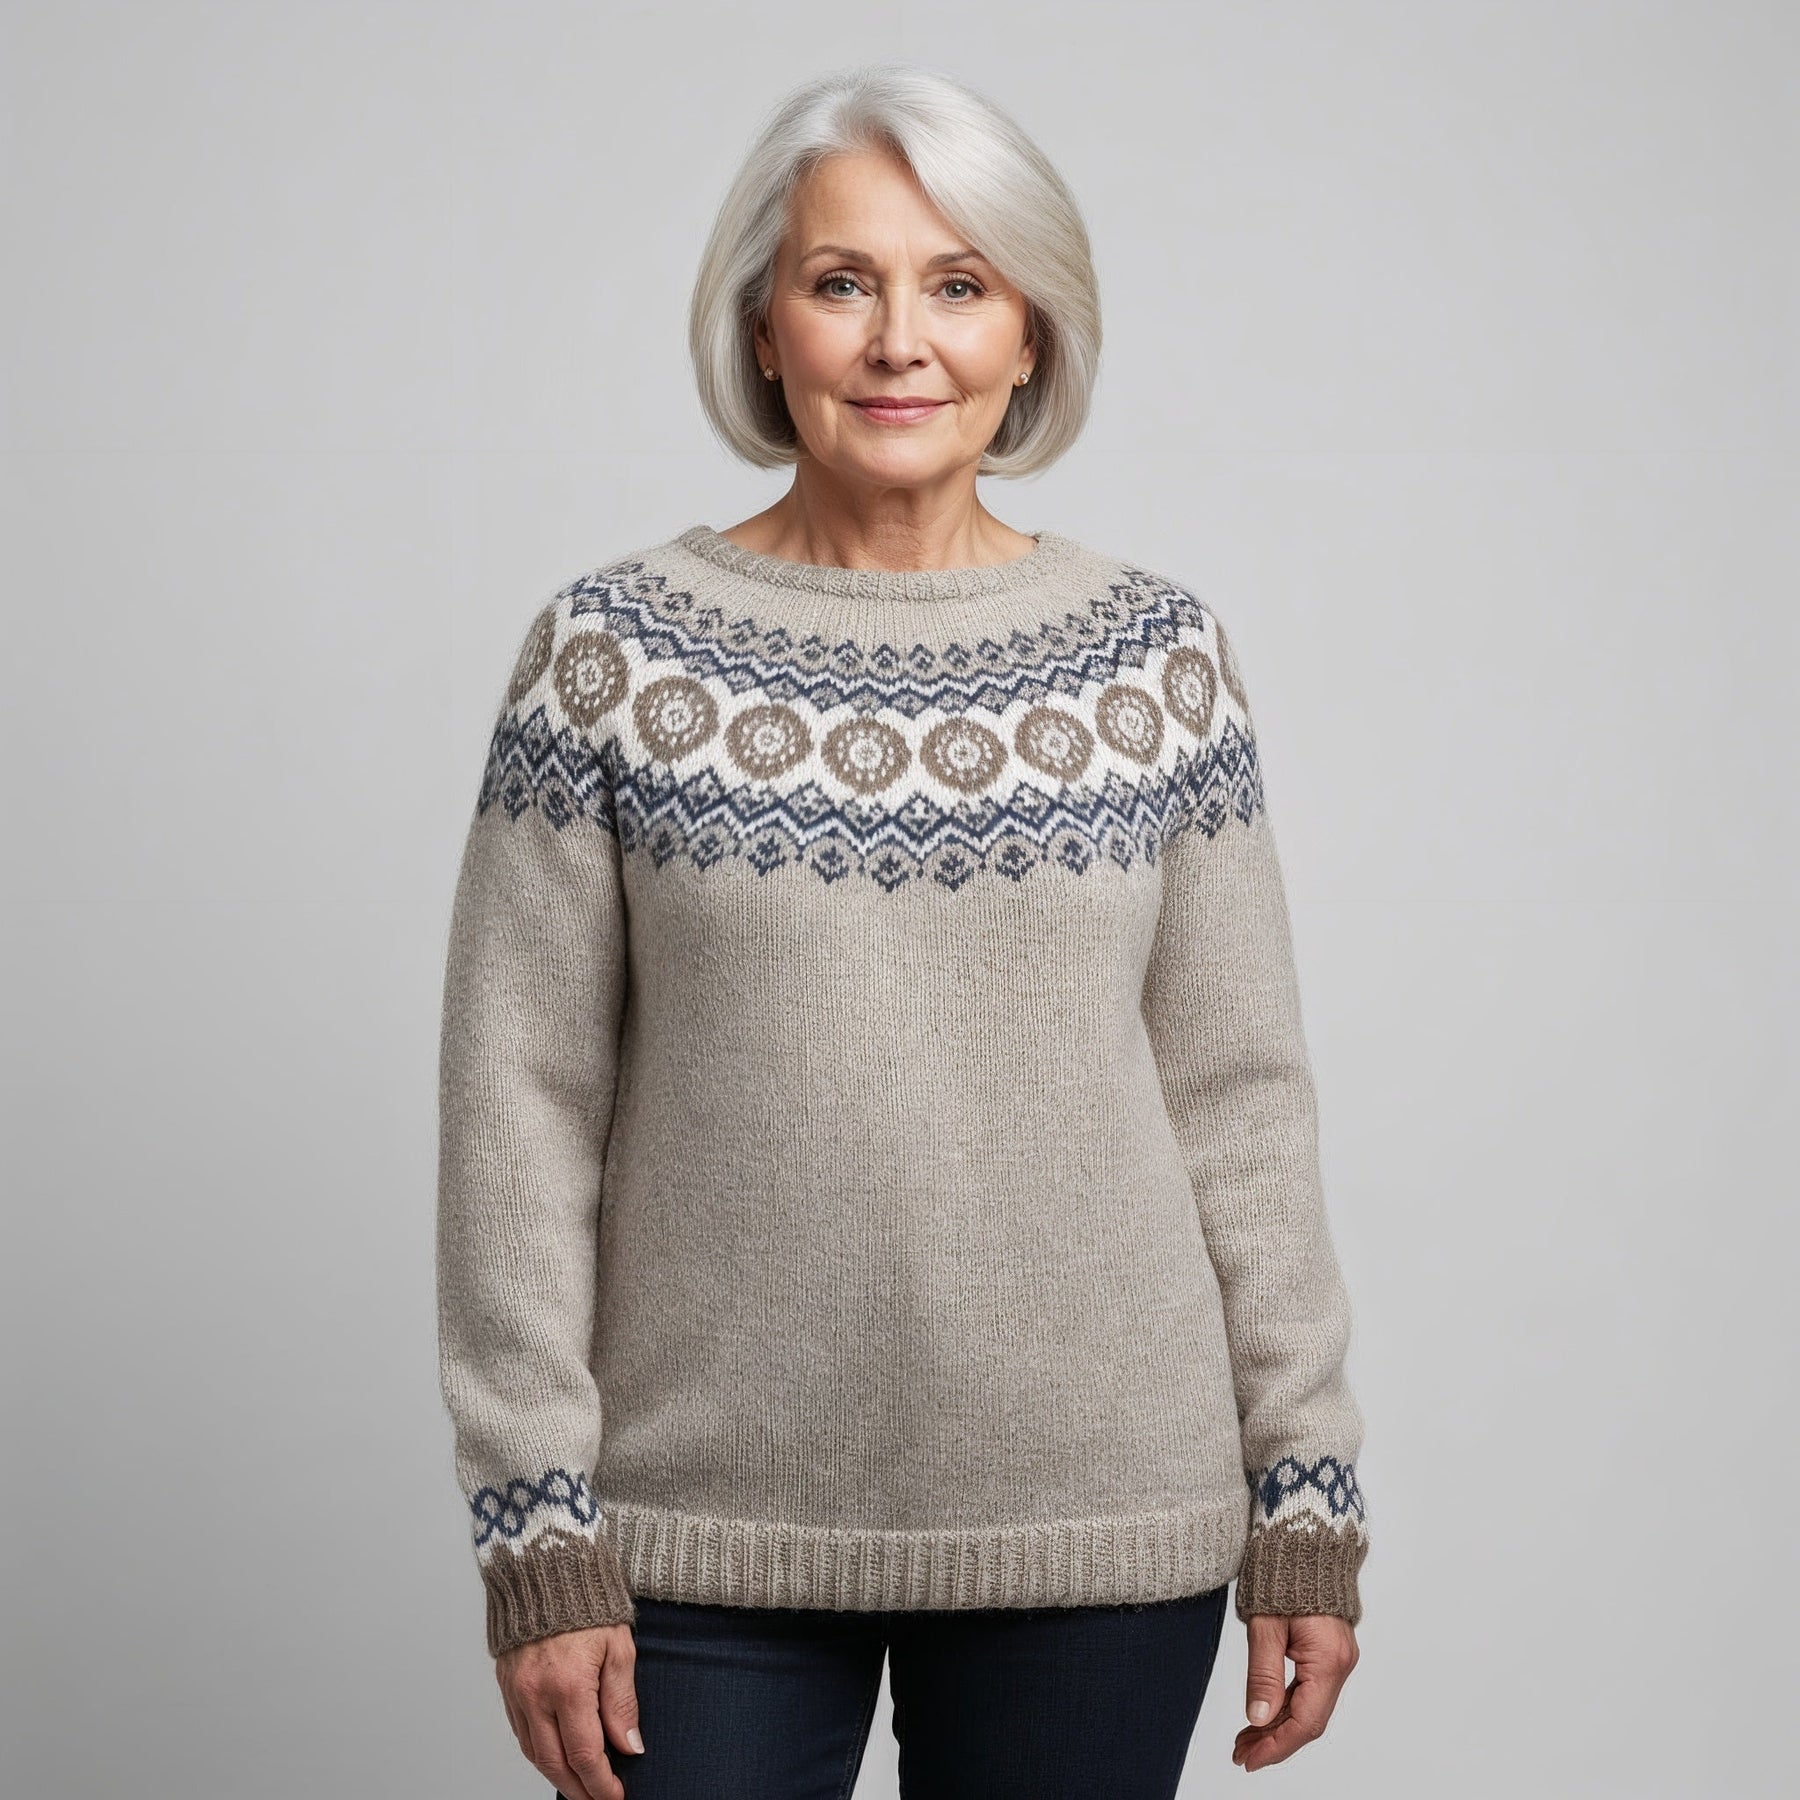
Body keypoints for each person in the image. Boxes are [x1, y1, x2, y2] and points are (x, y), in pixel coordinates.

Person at [435, 61, 1368, 1800]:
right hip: (692, 1534)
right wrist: (535, 1525)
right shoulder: (610, 657)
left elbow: (1240, 1101)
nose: (898, 343)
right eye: (841, 282)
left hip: (1099, 1522)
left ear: (1031, 336)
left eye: (957, 285)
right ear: (764, 328)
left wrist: (1305, 1490)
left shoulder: (1155, 664)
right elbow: (519, 1112)